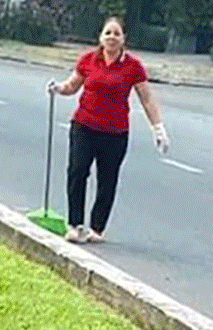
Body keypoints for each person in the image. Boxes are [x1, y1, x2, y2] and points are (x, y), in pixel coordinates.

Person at [47, 15, 170, 244]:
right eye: (108, 33)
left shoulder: (133, 67)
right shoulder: (88, 60)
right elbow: (72, 86)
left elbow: (147, 98)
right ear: (101, 37)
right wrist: (58, 89)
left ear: (124, 38)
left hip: (115, 133)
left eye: (116, 33)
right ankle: (75, 224)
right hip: (84, 126)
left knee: (108, 179)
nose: (112, 38)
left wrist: (158, 128)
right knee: (77, 172)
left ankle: (97, 228)